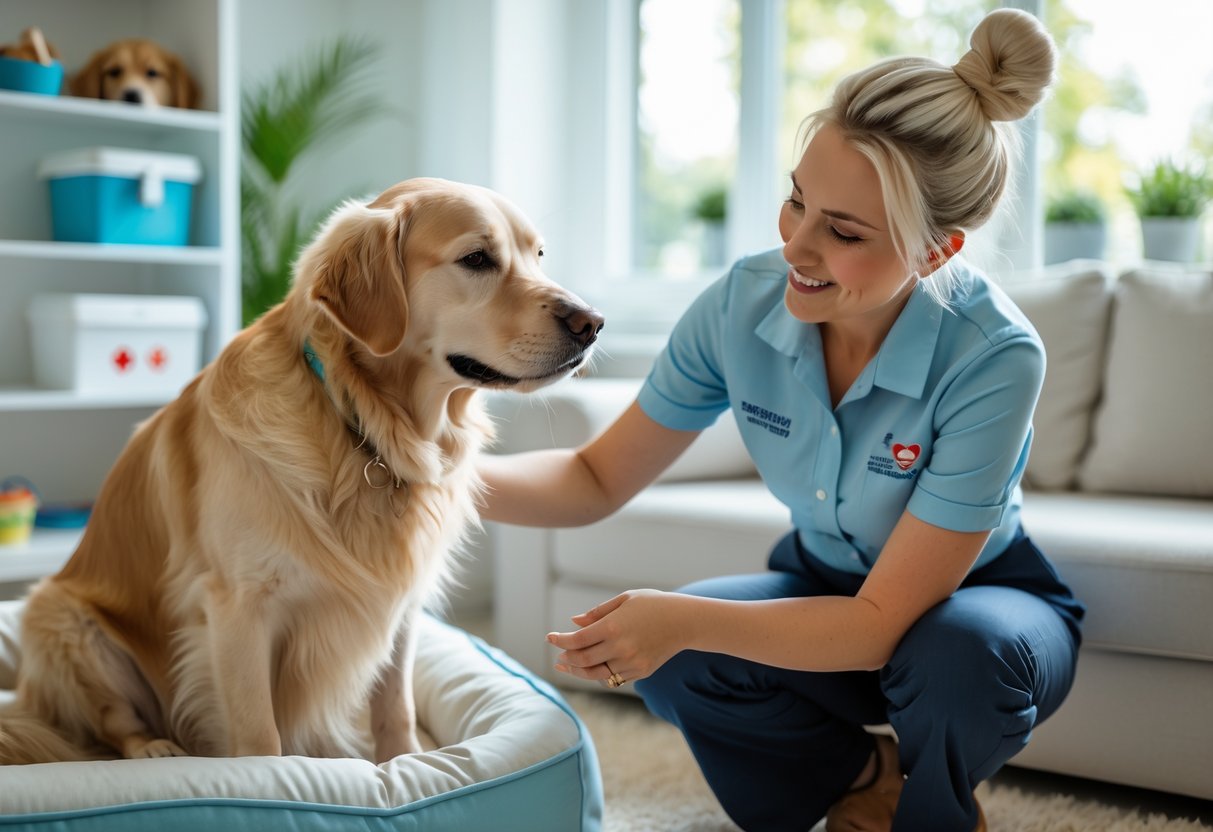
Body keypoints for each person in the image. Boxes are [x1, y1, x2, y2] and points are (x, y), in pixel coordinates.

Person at [477, 8, 1084, 832]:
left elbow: (878, 627)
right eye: (796, 202)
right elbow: (593, 477)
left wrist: (679, 617)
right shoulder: (742, 300)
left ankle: (929, 810)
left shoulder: (995, 354)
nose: (796, 246)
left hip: (977, 606)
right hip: (820, 583)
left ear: (936, 250)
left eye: (841, 231)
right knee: (677, 645)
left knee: (957, 659)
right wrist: (422, 480)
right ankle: (858, 776)